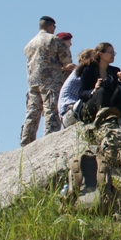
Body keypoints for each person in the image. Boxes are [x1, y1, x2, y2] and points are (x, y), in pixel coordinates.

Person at [20, 16, 76, 145]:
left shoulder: (29, 44)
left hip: (33, 81)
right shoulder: (54, 40)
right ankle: (50, 139)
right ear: (50, 26)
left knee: (33, 112)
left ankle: (26, 141)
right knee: (51, 109)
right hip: (50, 80)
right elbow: (67, 61)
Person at [78, 42, 121, 121]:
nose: (113, 55)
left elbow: (119, 92)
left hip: (109, 105)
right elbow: (81, 93)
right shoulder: (88, 70)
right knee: (101, 91)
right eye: (110, 52)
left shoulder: (115, 71)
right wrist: (94, 90)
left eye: (114, 52)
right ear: (101, 54)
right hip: (90, 108)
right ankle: (104, 119)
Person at [59, 48, 92, 128]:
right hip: (69, 113)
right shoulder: (80, 72)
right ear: (85, 59)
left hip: (72, 112)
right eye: (94, 58)